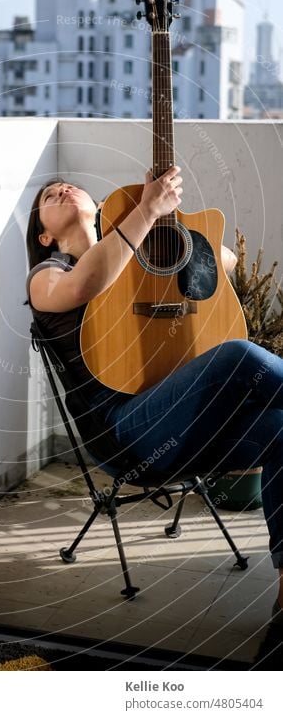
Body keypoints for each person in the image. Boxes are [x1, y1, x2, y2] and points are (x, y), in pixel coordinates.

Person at [25, 169, 283, 623]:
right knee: (239, 356)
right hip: (126, 432)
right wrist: (145, 210)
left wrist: (165, 223)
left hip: (185, 419)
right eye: (49, 195)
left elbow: (224, 260)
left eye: (69, 185)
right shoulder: (46, 275)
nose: (62, 188)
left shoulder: (140, 259)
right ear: (45, 236)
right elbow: (84, 286)